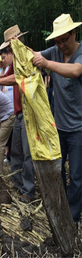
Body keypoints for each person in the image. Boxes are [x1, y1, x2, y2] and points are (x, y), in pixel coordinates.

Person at [33, 13, 82, 226]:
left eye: (65, 39)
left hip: (79, 128)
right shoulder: (54, 52)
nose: (61, 45)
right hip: (58, 127)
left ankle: (72, 217)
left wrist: (46, 64)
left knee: (77, 177)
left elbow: (75, 71)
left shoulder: (81, 53)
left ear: (74, 33)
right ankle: (61, 210)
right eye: (58, 41)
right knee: (58, 173)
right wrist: (18, 46)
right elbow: (34, 56)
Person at [0, 25, 35, 203]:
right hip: (19, 112)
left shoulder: (27, 57)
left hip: (30, 112)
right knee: (16, 151)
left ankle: (28, 192)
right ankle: (17, 184)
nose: (8, 51)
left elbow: (17, 79)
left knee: (28, 154)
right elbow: (6, 75)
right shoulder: (14, 61)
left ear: (17, 40)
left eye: (8, 48)